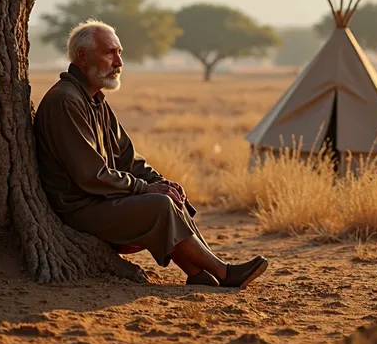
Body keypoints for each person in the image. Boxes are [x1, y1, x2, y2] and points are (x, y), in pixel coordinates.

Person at [34, 20, 268, 289]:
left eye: (119, 53)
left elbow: (128, 158)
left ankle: (198, 273)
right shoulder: (66, 101)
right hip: (78, 208)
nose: (119, 63)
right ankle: (224, 273)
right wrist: (147, 189)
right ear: (82, 56)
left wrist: (162, 183)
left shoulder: (95, 100)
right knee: (159, 204)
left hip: (101, 200)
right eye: (110, 53)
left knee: (168, 197)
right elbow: (92, 176)